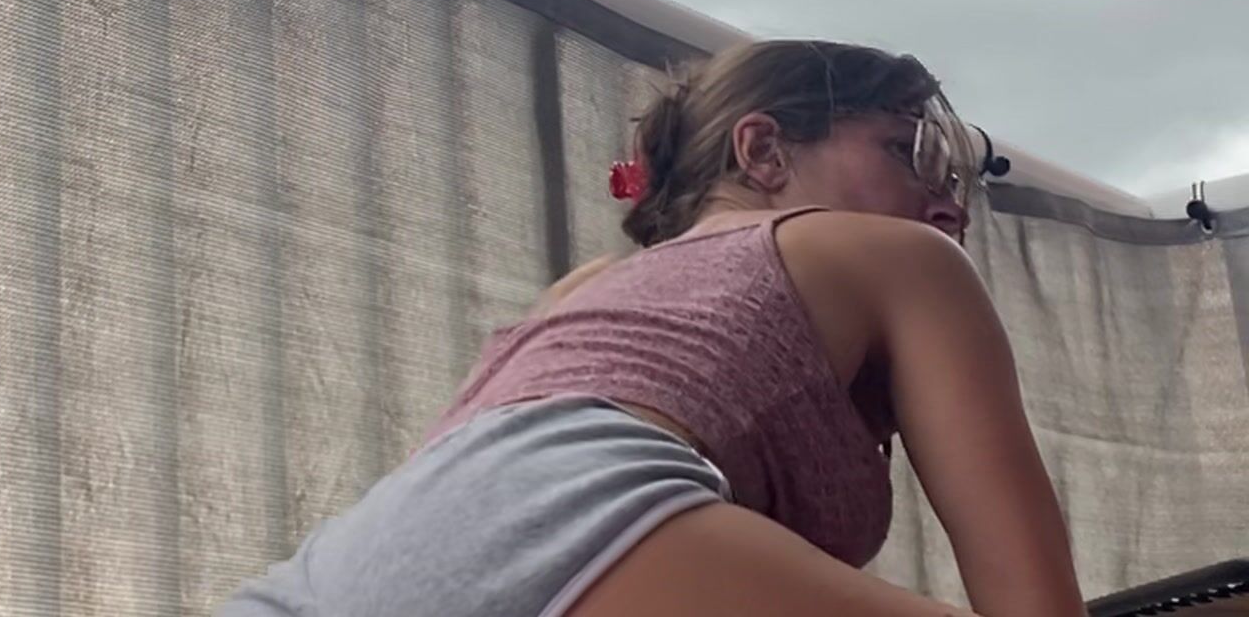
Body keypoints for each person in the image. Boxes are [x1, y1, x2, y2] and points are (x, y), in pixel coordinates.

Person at [217, 39, 1087, 617]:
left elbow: (468, 491)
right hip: (580, 521)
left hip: (317, 587)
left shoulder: (588, 288)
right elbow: (1035, 603)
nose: (944, 205)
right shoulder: (899, 257)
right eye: (904, 152)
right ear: (764, 151)